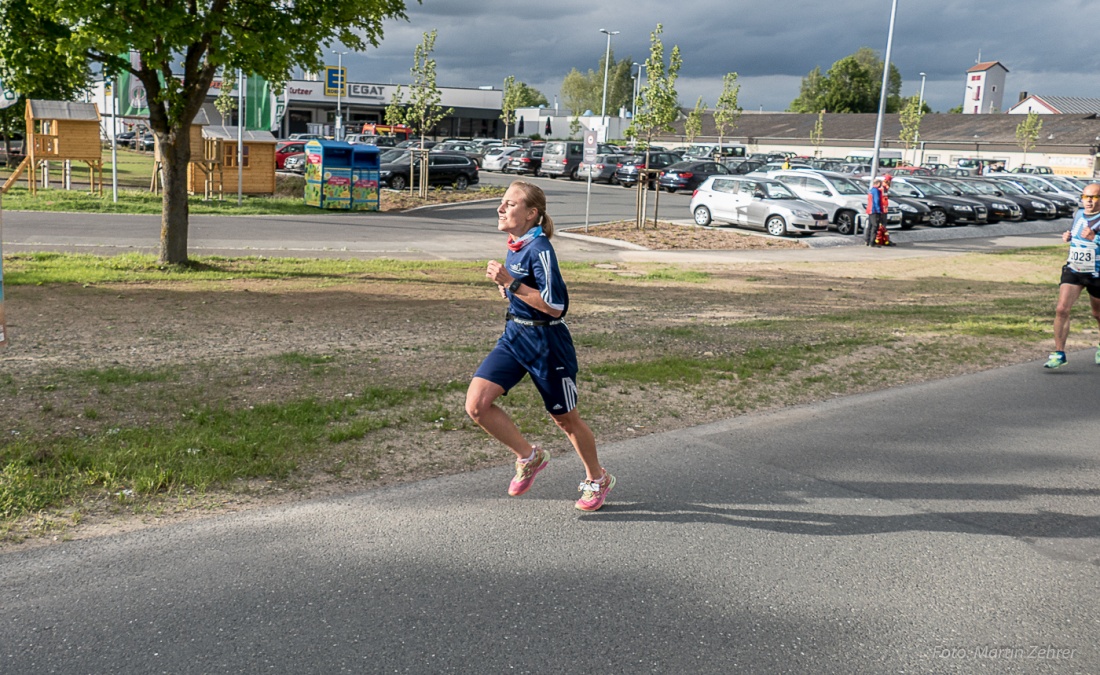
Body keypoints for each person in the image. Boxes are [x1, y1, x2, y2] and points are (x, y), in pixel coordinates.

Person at [465, 180, 615, 511]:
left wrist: (510, 282)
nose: (501, 208)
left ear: (532, 214)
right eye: (502, 202)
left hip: (548, 343)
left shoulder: (540, 249)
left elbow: (556, 305)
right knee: (476, 405)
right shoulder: (517, 244)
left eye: (510, 204)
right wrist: (507, 289)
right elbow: (523, 292)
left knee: (566, 419)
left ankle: (597, 478)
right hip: (515, 337)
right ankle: (528, 456)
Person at [1045, 182, 1100, 368]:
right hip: (1075, 269)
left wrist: (1096, 238)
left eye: (1094, 197)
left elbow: (1093, 239)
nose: (1089, 201)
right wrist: (1068, 236)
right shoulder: (1078, 214)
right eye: (1086, 197)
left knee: (1097, 313)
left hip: (1097, 273)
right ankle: (1059, 353)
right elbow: (1077, 234)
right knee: (1061, 309)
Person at [865, 177, 885, 246]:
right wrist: (879, 211)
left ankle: (867, 240)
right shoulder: (876, 191)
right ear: (878, 183)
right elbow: (877, 201)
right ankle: (872, 242)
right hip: (875, 210)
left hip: (870, 210)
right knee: (875, 226)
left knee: (869, 226)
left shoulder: (871, 190)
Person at [876, 174, 894, 246]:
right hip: (882, 209)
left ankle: (884, 239)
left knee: (883, 226)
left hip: (884, 209)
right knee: (881, 226)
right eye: (889, 181)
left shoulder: (885, 188)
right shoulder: (882, 188)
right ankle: (880, 240)